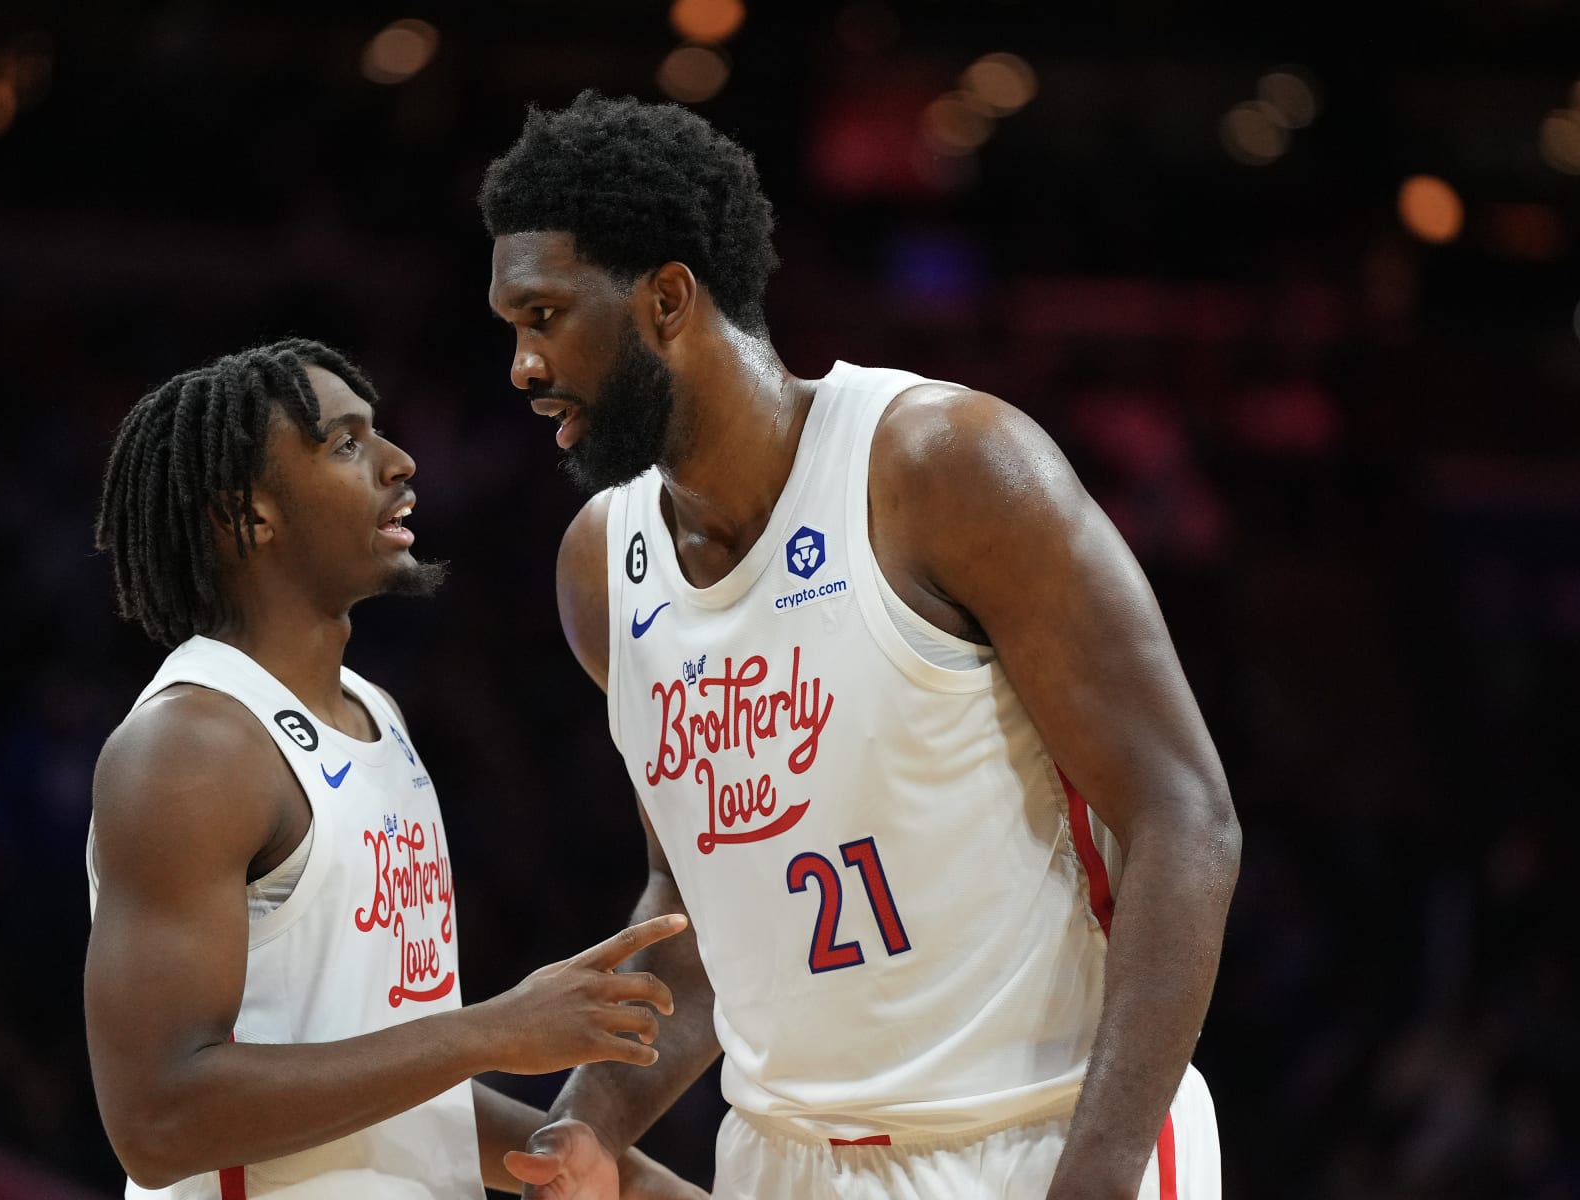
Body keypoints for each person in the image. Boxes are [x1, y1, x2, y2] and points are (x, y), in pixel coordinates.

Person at [480, 93, 1242, 1199]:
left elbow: (1185, 818)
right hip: (785, 1161)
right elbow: (693, 905)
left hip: (1043, 1138)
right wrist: (591, 1121)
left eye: (543, 316)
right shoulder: (602, 567)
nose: (521, 365)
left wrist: (1101, 1175)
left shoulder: (946, 467)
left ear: (667, 299)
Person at [85, 338, 706, 1200]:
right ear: (250, 513)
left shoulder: (375, 713)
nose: (399, 461)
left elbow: (391, 1078)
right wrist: (491, 1032)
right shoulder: (191, 748)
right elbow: (157, 1122)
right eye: (345, 443)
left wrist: (608, 1166)